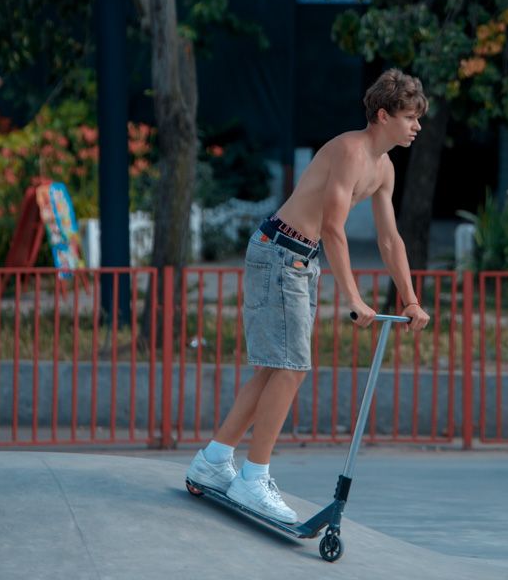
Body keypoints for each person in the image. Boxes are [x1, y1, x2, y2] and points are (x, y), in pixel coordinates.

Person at [185, 69, 432, 522]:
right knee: (292, 368)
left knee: (277, 367)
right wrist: (354, 298)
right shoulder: (349, 151)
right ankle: (253, 479)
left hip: (299, 259)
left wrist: (410, 298)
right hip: (279, 251)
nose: (417, 126)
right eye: (410, 116)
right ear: (383, 115)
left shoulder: (384, 168)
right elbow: (335, 228)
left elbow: (390, 240)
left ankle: (215, 460)